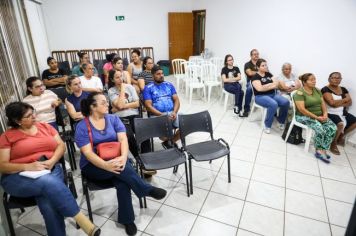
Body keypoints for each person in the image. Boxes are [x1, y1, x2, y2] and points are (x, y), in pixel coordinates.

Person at [0, 102, 100, 236]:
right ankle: (80, 218)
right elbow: (3, 165)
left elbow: (61, 145)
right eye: (29, 116)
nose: (34, 117)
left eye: (33, 112)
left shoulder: (45, 127)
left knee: (48, 203)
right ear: (17, 121)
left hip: (50, 168)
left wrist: (52, 161)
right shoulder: (7, 137)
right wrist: (27, 166)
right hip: (18, 177)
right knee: (47, 183)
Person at [74, 92, 167, 236]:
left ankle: (127, 220)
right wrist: (106, 166)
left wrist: (123, 157)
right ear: (93, 106)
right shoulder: (82, 126)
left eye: (107, 102)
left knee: (123, 180)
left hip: (117, 160)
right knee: (123, 172)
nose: (108, 104)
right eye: (103, 102)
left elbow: (123, 140)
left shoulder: (113, 119)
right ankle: (145, 189)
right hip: (93, 166)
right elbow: (88, 154)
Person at [294, 73, 337, 163]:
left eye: (315, 79)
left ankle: (323, 149)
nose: (314, 81)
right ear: (305, 82)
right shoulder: (299, 93)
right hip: (304, 117)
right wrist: (316, 117)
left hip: (319, 116)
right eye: (311, 80)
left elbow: (323, 104)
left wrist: (325, 114)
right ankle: (318, 150)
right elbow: (302, 110)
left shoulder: (317, 90)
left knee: (333, 127)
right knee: (320, 128)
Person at [143, 65, 181, 147]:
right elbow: (148, 106)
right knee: (161, 131)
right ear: (153, 76)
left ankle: (170, 143)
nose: (161, 75)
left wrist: (174, 112)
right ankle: (170, 144)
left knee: (186, 125)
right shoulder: (148, 88)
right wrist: (161, 115)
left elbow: (176, 100)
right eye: (158, 74)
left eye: (162, 73)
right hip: (157, 116)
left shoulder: (169, 85)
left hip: (172, 113)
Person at [251, 59, 290, 134]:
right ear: (258, 67)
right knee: (273, 104)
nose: (265, 66)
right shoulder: (255, 77)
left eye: (266, 65)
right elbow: (259, 89)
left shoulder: (268, 74)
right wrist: (271, 85)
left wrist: (266, 86)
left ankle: (280, 121)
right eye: (263, 65)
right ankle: (267, 126)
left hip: (272, 94)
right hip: (260, 97)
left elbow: (277, 83)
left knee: (286, 102)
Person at [321, 72, 356, 155]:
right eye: (334, 78)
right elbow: (332, 104)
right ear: (329, 79)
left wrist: (337, 103)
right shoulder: (325, 89)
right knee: (340, 124)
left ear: (341, 79)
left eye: (338, 78)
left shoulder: (343, 89)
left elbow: (350, 102)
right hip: (330, 112)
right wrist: (344, 100)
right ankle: (333, 143)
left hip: (342, 112)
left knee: (355, 121)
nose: (336, 80)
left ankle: (341, 136)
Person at [243, 49, 260, 117]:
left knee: (273, 87)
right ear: (251, 56)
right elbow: (250, 73)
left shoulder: (261, 63)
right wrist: (260, 72)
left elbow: (266, 72)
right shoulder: (247, 64)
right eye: (254, 54)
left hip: (261, 82)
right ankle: (246, 109)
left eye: (257, 54)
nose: (256, 55)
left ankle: (274, 110)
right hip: (251, 82)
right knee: (249, 89)